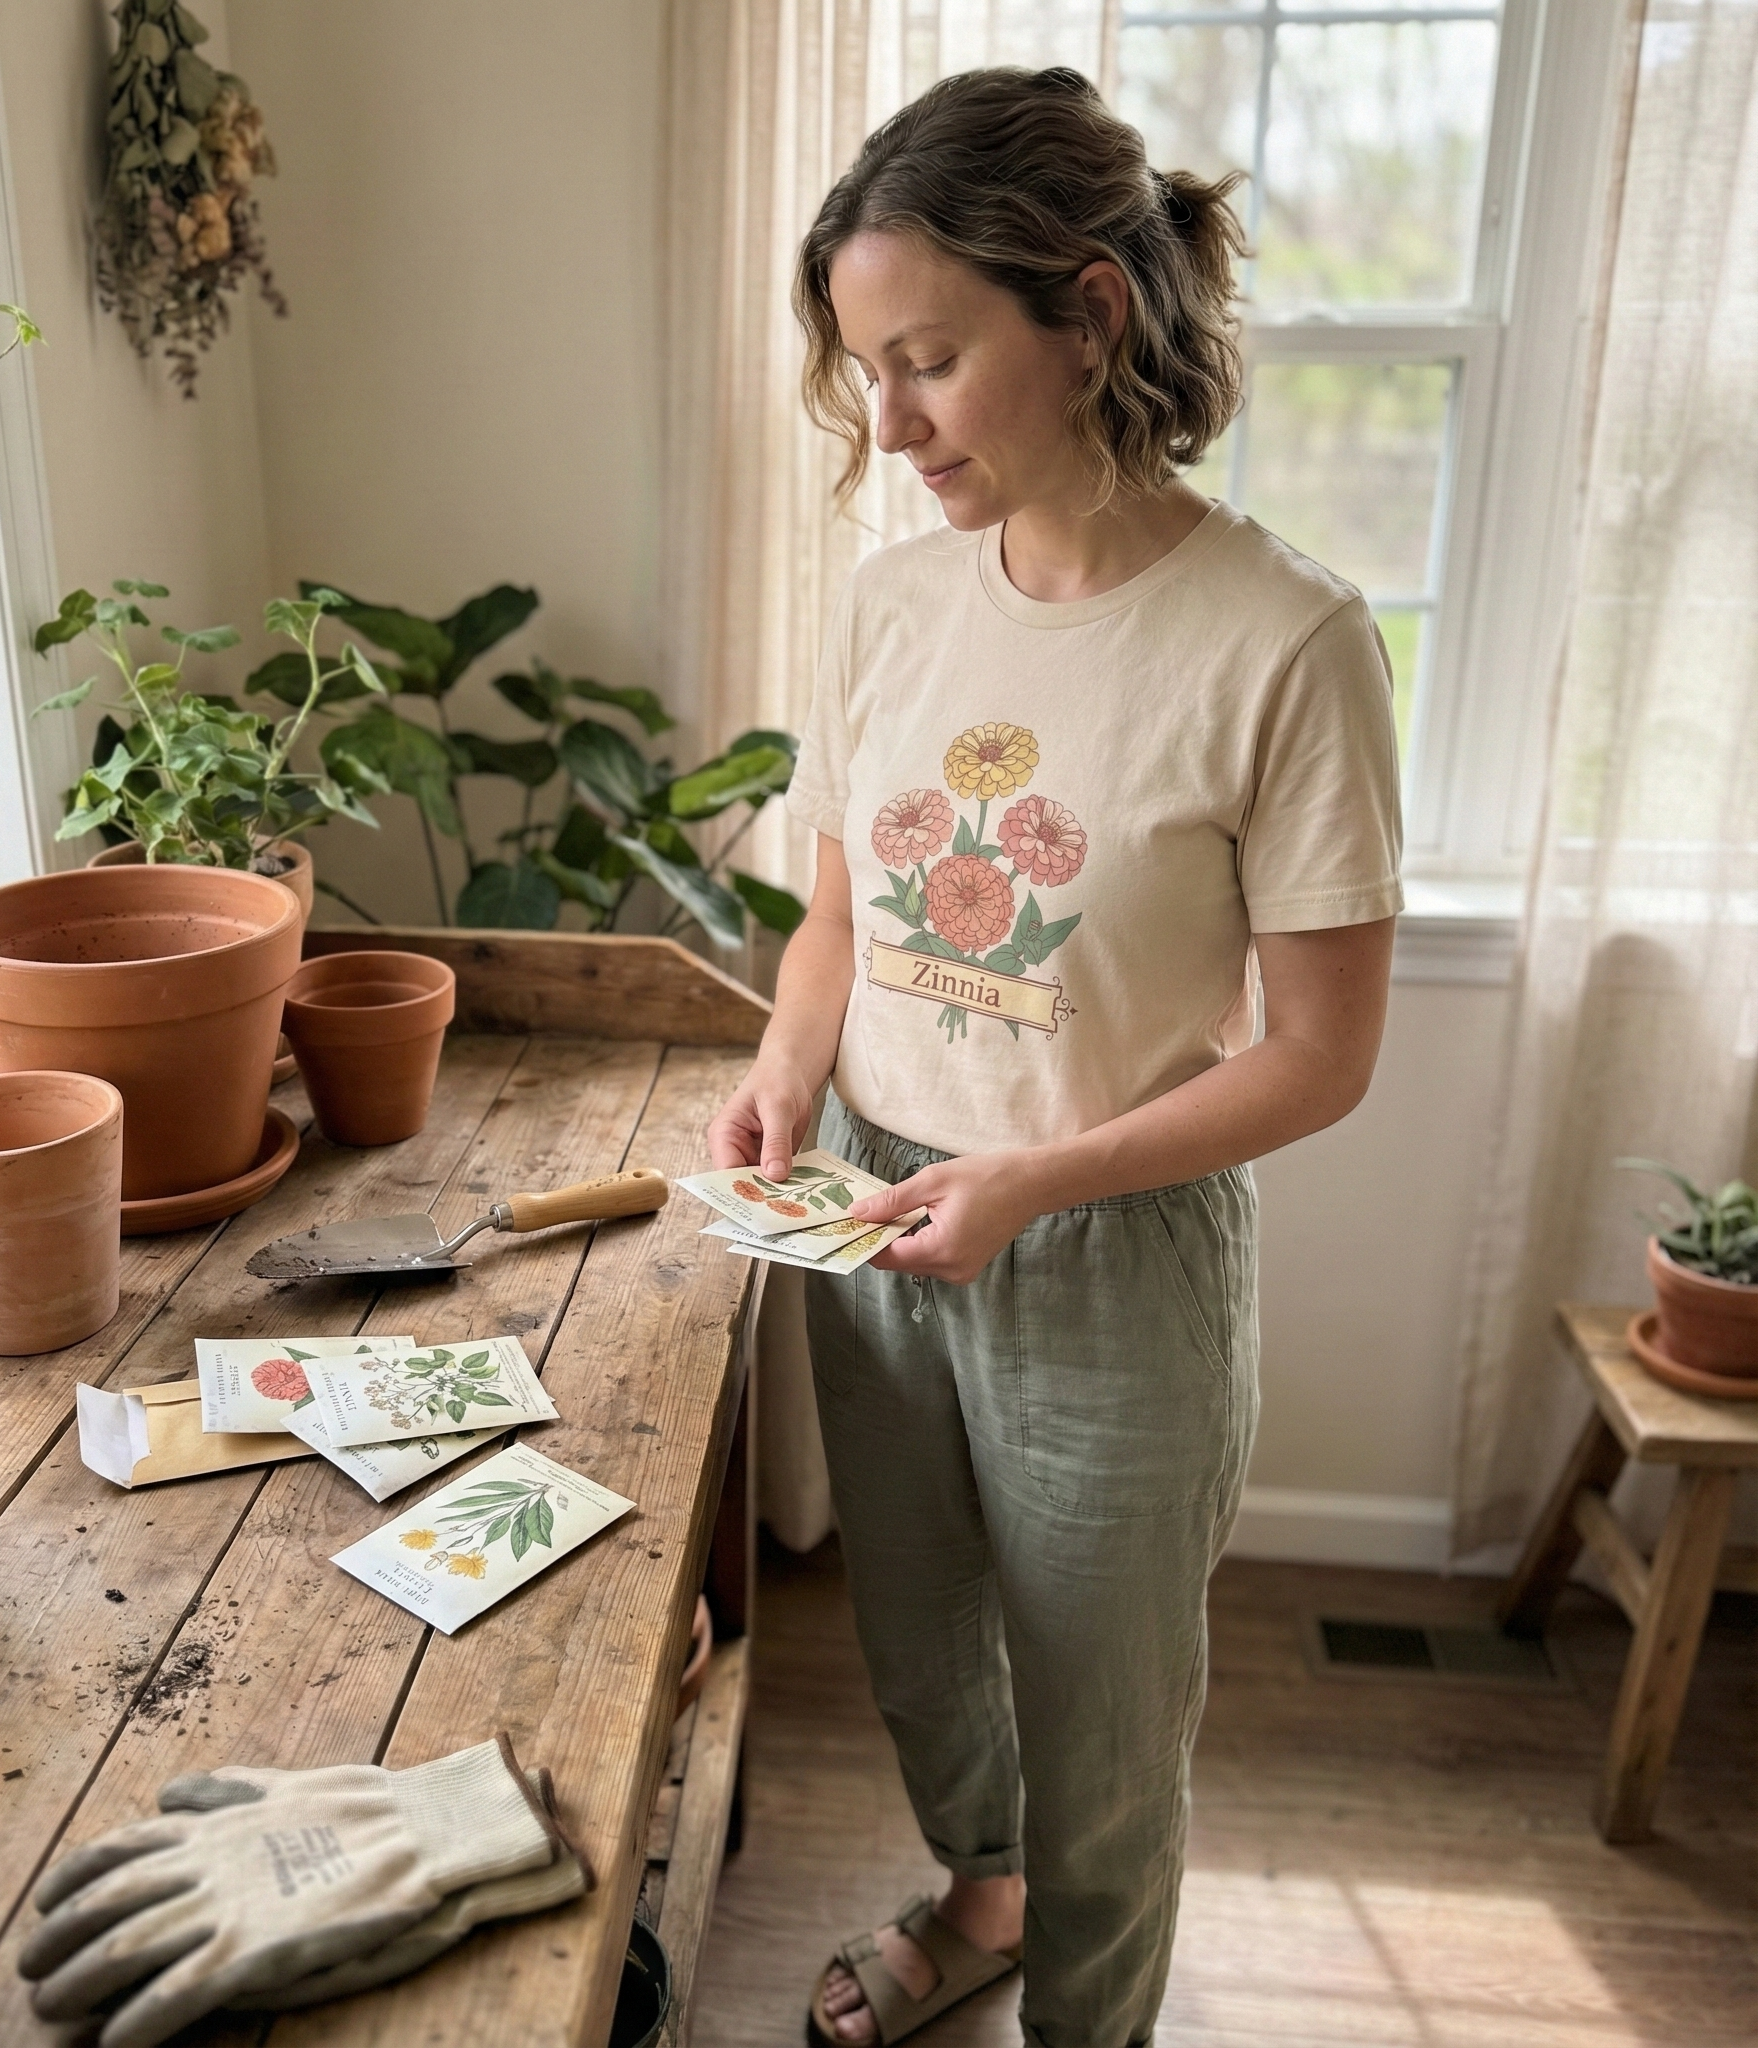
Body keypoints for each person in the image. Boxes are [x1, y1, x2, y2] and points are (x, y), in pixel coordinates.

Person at [706, 67, 1402, 2048]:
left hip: (1110, 1254)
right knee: (926, 1650)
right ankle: (980, 1889)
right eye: (865, 367)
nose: (888, 421)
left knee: (1104, 1719)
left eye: (927, 360)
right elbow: (838, 919)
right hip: (874, 1211)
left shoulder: (1285, 641)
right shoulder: (889, 608)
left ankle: (1087, 2017)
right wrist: (782, 1070)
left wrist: (1022, 1184)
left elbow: (1319, 1056)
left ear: (1089, 314)